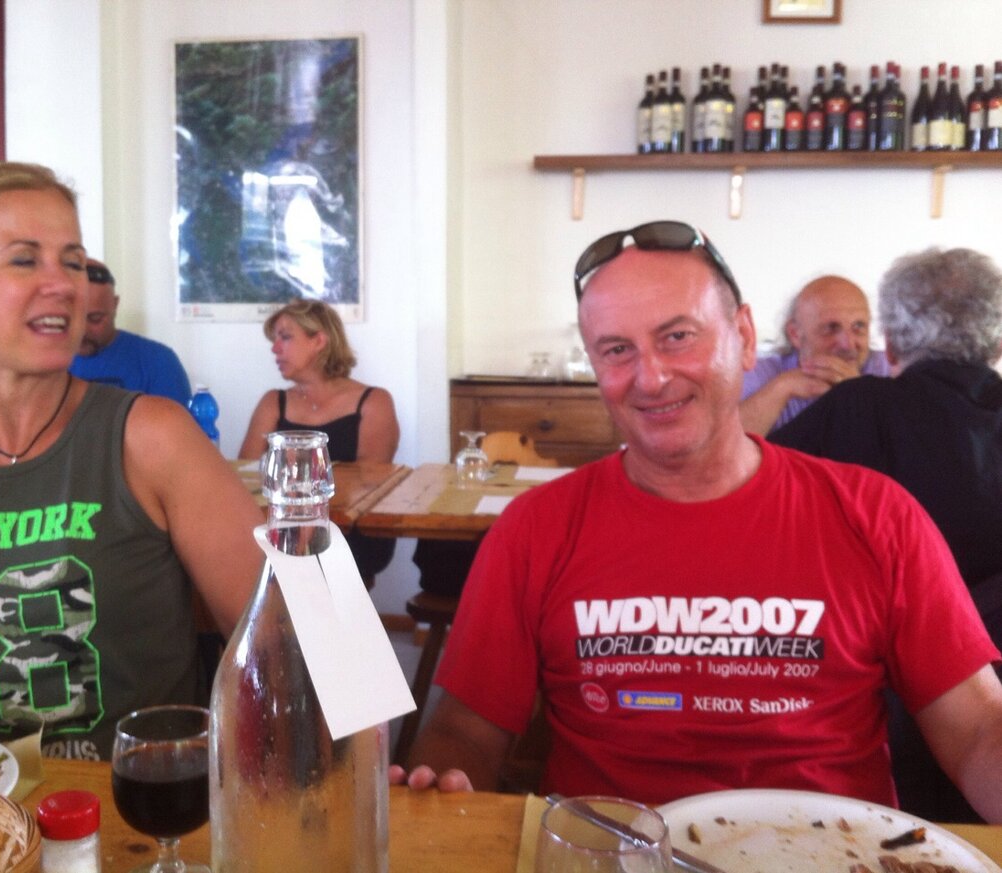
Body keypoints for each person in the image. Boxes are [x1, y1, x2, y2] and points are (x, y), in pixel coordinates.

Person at [391, 220, 1002, 823]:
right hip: (609, 853)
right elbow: (464, 730)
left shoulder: (878, 515)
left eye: (678, 337)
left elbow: (978, 730)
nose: (651, 378)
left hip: (834, 850)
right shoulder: (535, 527)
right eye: (617, 350)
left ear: (744, 335)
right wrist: (440, 784)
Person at [0, 160, 265, 760]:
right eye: (24, 260)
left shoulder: (152, 437)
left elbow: (283, 643)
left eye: (73, 261)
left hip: (133, 804)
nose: (64, 284)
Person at [769, 246, 1002, 822]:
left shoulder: (856, 407)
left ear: (890, 344)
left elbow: (743, 486)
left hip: (872, 716)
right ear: (996, 344)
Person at [239, 299, 398, 581]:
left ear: (319, 341)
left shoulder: (374, 401)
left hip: (350, 532)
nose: (275, 349)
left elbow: (370, 484)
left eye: (285, 337)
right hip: (282, 527)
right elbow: (245, 474)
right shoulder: (273, 401)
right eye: (275, 340)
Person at [740, 275, 891, 435]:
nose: (847, 344)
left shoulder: (890, 368)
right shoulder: (757, 373)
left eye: (859, 327)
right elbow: (724, 443)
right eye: (831, 328)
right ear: (795, 334)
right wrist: (782, 389)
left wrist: (859, 395)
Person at [68, 258, 193, 405]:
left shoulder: (158, 362)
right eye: (72, 317)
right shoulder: (47, 360)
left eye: (95, 318)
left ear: (115, 305)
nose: (82, 330)